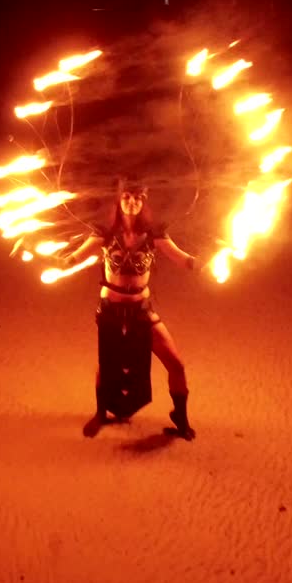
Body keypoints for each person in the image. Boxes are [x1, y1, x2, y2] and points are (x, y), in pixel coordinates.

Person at [59, 178, 203, 440]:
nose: (132, 202)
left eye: (138, 197)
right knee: (106, 364)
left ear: (144, 201)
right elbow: (76, 257)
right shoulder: (104, 232)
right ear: (119, 199)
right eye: (127, 196)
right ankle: (101, 413)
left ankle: (180, 417)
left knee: (176, 364)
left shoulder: (154, 234)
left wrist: (206, 263)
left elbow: (182, 259)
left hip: (141, 310)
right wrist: (57, 259)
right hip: (111, 310)